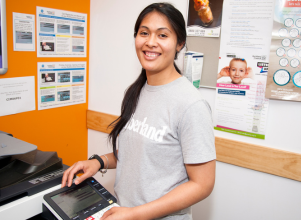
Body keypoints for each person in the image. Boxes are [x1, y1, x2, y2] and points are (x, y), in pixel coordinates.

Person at [61, 3, 216, 220]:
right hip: (123, 212)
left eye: (162, 35)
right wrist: (98, 161)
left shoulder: (191, 105)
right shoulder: (137, 91)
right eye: (144, 33)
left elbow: (202, 184)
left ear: (179, 43)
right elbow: (140, 154)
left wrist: (135, 214)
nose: (150, 42)